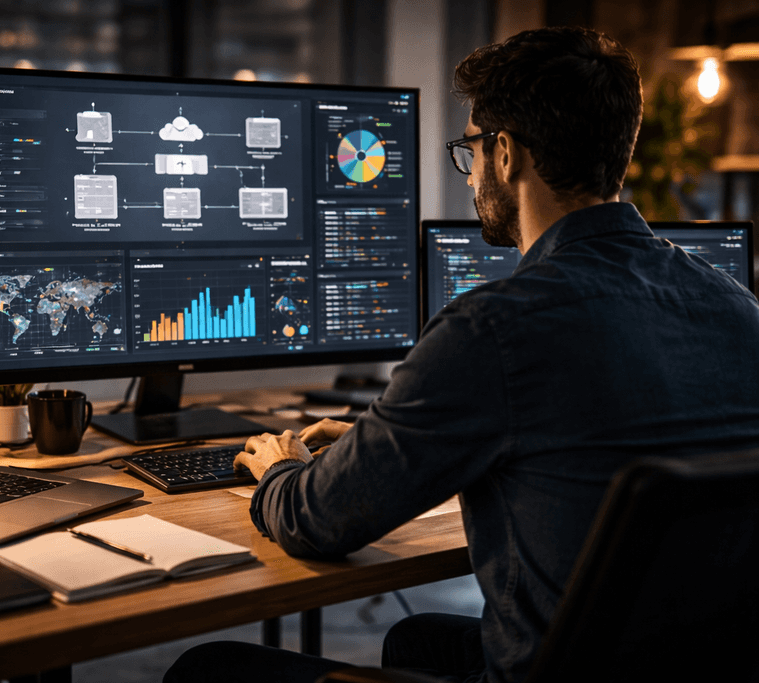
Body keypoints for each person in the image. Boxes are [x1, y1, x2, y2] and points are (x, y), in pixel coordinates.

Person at [164, 26, 759, 683]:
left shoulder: (493, 327)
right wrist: (381, 439)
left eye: (470, 148)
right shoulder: (737, 306)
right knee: (420, 637)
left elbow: (317, 522)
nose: (470, 169)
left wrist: (282, 468)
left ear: (506, 154)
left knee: (207, 667)